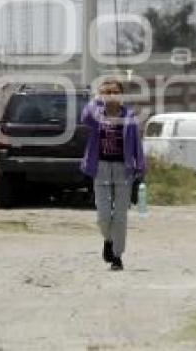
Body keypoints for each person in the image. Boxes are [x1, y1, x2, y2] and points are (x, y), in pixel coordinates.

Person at [80, 78, 146, 271]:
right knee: (102, 215)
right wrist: (96, 99)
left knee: (120, 216)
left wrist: (140, 168)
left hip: (123, 170)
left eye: (115, 92)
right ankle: (108, 239)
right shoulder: (96, 114)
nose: (111, 95)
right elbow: (84, 117)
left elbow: (137, 146)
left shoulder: (130, 117)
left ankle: (117, 256)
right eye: (107, 92)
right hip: (100, 168)